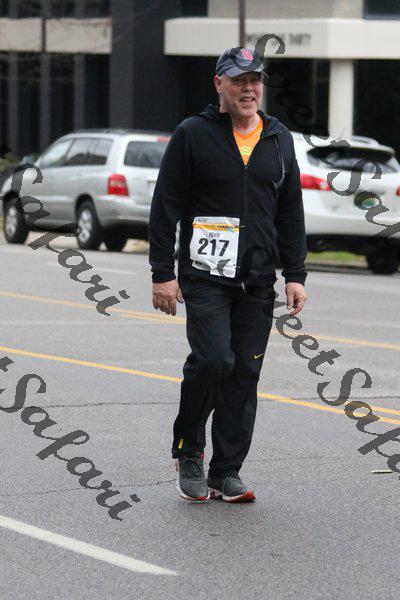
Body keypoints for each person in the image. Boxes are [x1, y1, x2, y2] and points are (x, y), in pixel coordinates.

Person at [148, 47, 308, 503]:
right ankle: (189, 452)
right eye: (239, 80)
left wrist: (295, 273)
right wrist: (162, 273)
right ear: (219, 84)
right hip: (205, 276)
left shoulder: (278, 138)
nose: (249, 88)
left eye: (255, 80)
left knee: (245, 371)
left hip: (257, 279)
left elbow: (290, 210)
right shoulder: (193, 134)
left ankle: (225, 470)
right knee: (214, 359)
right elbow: (165, 206)